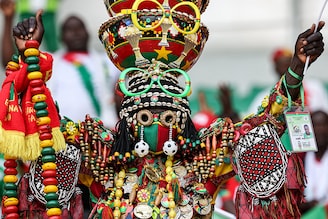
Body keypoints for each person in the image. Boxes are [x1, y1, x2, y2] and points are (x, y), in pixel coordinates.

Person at [0, 3, 325, 219]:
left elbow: (268, 118)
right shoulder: (102, 156)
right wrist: (29, 56)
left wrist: (297, 66)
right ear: (127, 119)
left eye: (167, 115)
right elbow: (43, 118)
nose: (156, 119)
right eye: (145, 115)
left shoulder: (205, 158)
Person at [46, 15, 121, 129]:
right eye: (69, 30)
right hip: (60, 133)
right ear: (61, 37)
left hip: (100, 133)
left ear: (88, 32)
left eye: (79, 28)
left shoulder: (107, 61)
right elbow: (9, 62)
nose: (75, 33)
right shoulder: (50, 62)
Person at [247, 47, 328, 116]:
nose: (287, 68)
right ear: (276, 68)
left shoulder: (315, 87)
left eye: (290, 64)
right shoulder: (264, 96)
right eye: (283, 64)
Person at [300, 110, 328, 215]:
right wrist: (308, 205)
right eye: (315, 125)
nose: (320, 130)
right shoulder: (301, 161)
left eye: (324, 125)